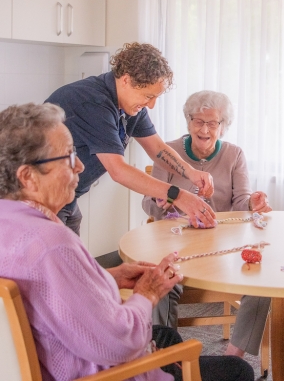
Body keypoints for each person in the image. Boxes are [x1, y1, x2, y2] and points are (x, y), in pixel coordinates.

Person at [0, 103, 254, 381]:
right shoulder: (52, 244)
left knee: (166, 334)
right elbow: (119, 343)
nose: (82, 166)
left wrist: (109, 276)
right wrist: (147, 293)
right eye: (69, 157)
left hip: (63, 354)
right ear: (27, 177)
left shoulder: (11, 222)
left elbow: (49, 290)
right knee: (238, 371)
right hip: (104, 371)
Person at [45, 42, 216, 267]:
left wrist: (192, 173)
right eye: (148, 96)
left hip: (66, 198)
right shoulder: (94, 102)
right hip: (37, 200)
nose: (151, 105)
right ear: (125, 80)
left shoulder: (130, 104)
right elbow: (119, 171)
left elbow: (157, 148)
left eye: (155, 97)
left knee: (74, 274)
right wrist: (179, 195)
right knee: (60, 276)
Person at [142, 90, 272, 358]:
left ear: (223, 126)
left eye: (212, 123)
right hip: (178, 244)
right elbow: (149, 204)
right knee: (161, 285)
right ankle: (170, 359)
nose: (204, 129)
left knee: (263, 285)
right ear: (188, 122)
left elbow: (241, 204)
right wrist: (164, 202)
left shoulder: (234, 155)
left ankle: (231, 359)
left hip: (223, 249)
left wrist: (252, 204)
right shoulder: (168, 153)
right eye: (197, 121)